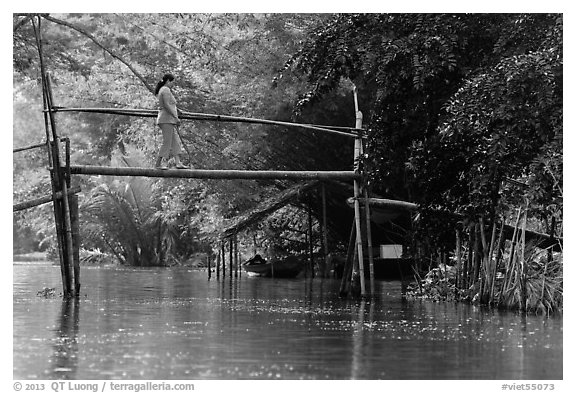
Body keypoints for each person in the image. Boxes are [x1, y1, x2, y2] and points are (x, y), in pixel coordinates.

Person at [154, 73, 189, 169]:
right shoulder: (165, 90)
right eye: (172, 82)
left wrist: (178, 111)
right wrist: (175, 117)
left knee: (175, 141)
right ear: (168, 81)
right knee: (167, 141)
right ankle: (158, 164)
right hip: (166, 119)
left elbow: (171, 104)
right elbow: (166, 104)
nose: (173, 84)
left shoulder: (165, 90)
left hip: (168, 119)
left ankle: (178, 162)